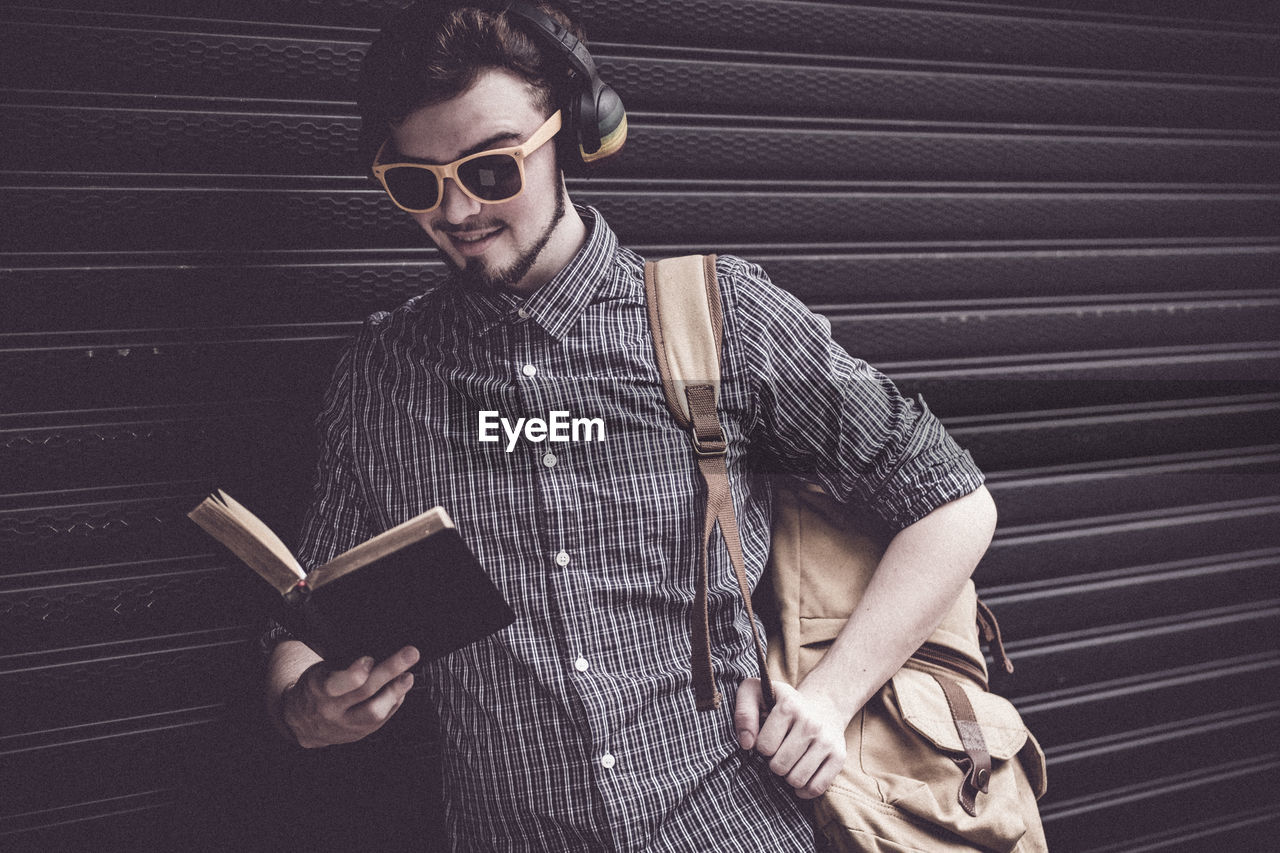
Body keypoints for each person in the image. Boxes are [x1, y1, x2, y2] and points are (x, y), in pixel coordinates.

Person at [261, 2, 998, 850]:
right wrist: (307, 704)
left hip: (738, 826)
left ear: (574, 133)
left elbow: (953, 501)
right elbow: (303, 620)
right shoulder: (381, 379)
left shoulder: (725, 319)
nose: (458, 210)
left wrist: (832, 697)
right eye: (421, 185)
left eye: (492, 169)